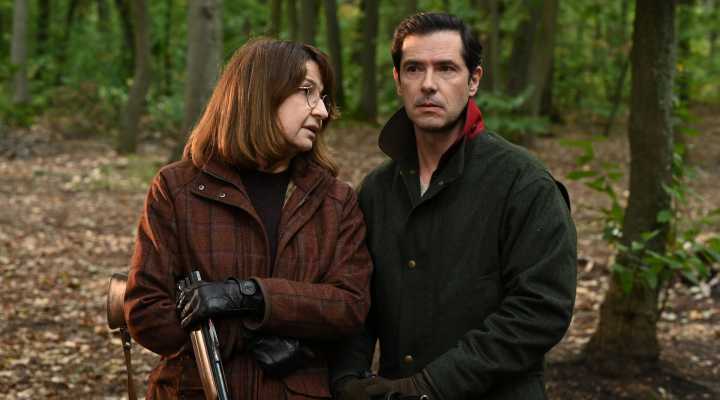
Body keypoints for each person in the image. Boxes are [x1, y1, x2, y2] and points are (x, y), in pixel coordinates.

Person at [330, 12, 577, 400]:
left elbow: (541, 310)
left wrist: (429, 386)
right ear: (397, 80)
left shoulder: (524, 183)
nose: (429, 84)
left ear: (473, 80)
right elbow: (357, 299)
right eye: (414, 69)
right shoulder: (376, 191)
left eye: (446, 68)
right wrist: (346, 380)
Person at [123, 38, 372, 399]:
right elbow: (146, 312)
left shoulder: (336, 200)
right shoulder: (178, 189)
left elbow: (350, 305)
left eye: (323, 98)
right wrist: (252, 333)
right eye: (307, 92)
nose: (321, 110)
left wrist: (250, 296)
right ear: (261, 93)